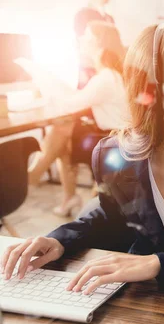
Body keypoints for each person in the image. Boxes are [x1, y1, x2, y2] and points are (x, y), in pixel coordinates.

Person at [4, 22, 164, 293]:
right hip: (151, 311)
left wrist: (161, 265)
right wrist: (60, 240)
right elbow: (111, 217)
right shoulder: (114, 156)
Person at [28, 21, 129, 217]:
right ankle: (65, 195)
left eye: (87, 36)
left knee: (61, 132)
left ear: (99, 42)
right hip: (117, 136)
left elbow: (70, 103)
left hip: (116, 142)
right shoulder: (111, 75)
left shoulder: (106, 78)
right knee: (63, 135)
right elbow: (75, 99)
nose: (81, 40)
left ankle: (31, 178)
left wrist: (43, 76)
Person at [74, 0, 116, 89]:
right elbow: (87, 48)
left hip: (108, 76)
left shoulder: (109, 18)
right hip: (90, 78)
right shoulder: (82, 15)